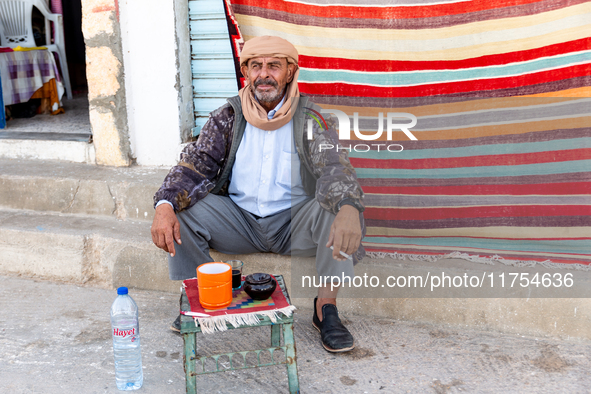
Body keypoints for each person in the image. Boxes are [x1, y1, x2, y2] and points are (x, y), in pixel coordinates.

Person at [151, 36, 365, 353]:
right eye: (256, 66)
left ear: (290, 72)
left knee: (341, 210)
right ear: (247, 72)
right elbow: (195, 165)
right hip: (238, 222)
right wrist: (164, 204)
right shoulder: (227, 116)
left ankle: (326, 309)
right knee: (177, 210)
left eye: (274, 66)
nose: (264, 74)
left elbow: (334, 167)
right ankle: (201, 301)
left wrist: (348, 206)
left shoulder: (311, 117)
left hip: (293, 225)